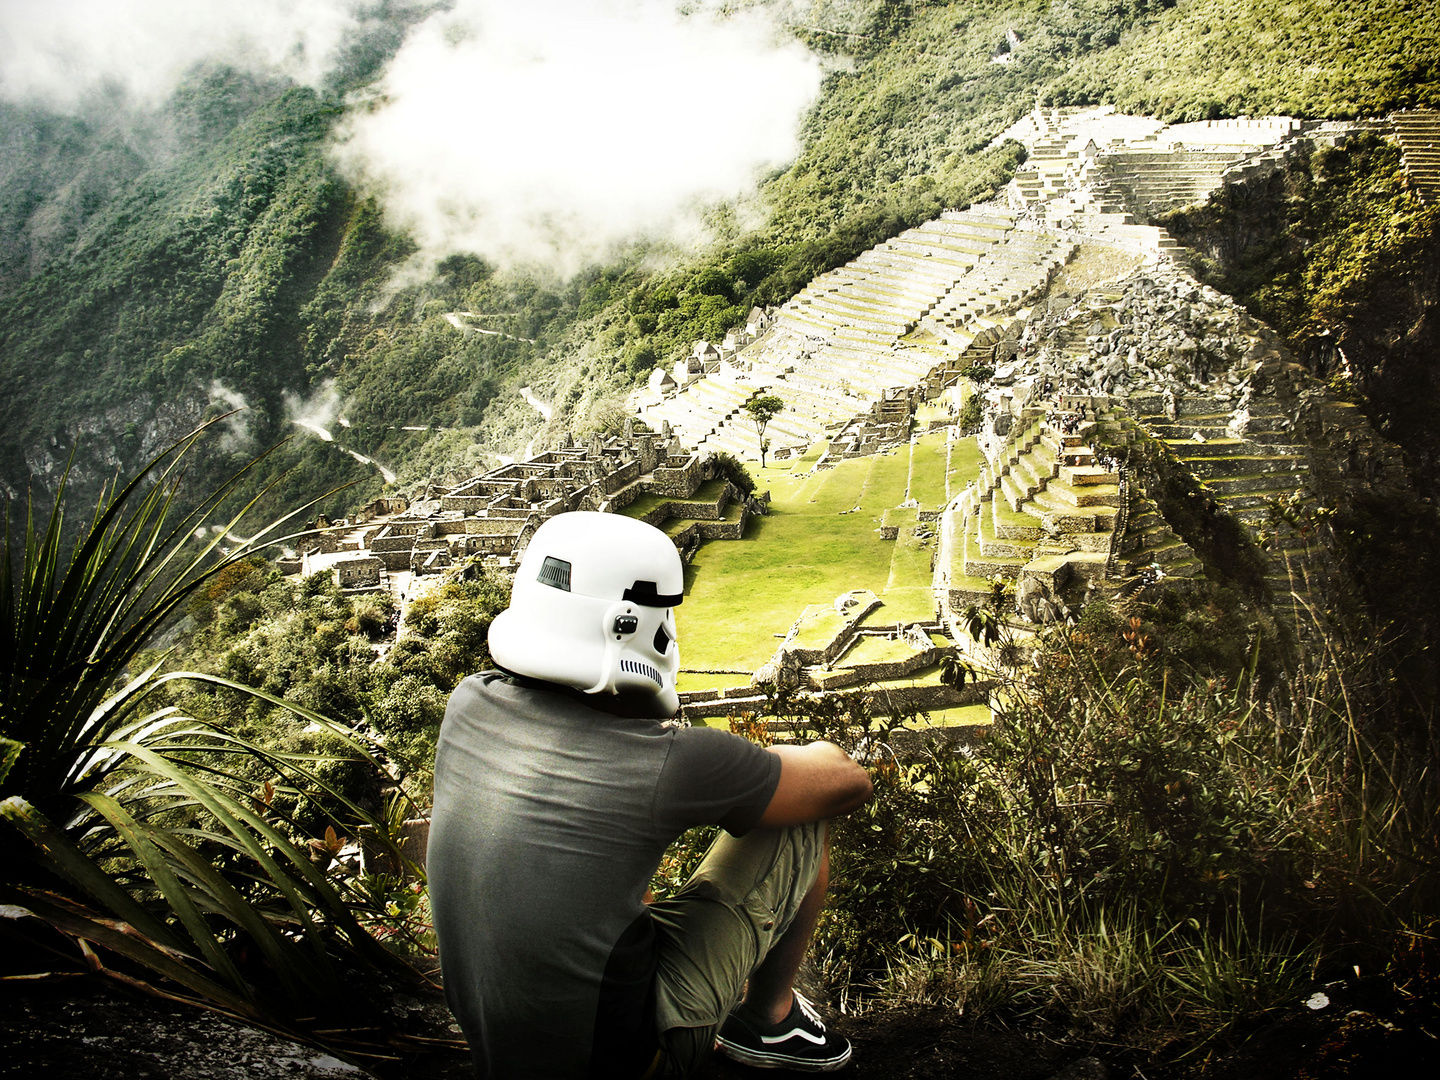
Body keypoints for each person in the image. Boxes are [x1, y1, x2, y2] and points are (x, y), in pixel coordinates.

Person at [428, 511, 873, 1078]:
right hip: (624, 1063)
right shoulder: (665, 760)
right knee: (802, 813)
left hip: (499, 1047)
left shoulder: (468, 703)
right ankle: (771, 1017)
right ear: (635, 627)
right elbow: (846, 780)